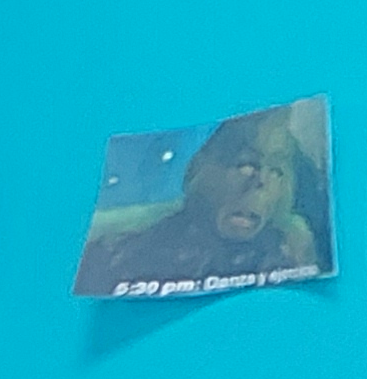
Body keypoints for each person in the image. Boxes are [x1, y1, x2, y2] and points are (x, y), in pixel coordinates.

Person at [75, 105, 327, 295]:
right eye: (246, 163)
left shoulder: (288, 253)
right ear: (197, 170)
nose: (261, 181)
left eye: (277, 171)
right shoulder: (115, 254)